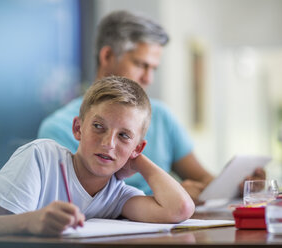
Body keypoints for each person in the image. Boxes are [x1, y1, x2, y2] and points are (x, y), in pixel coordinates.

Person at [38, 10, 265, 205]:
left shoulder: (162, 116)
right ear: (107, 55)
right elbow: (78, 205)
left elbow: (204, 180)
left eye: (153, 68)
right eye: (140, 65)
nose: (148, 78)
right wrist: (171, 196)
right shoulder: (58, 128)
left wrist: (236, 185)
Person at [0, 76, 195, 248]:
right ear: (78, 128)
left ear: (138, 148)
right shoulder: (41, 157)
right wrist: (30, 221)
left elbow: (180, 209)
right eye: (98, 127)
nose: (108, 143)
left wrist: (139, 161)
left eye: (124, 136)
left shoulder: (118, 195)